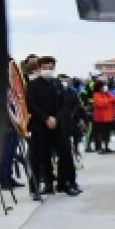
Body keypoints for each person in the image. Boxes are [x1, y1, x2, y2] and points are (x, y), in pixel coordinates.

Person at [26, 56, 81, 196]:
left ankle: (66, 183)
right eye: (45, 68)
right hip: (40, 125)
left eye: (50, 68)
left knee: (65, 154)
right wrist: (45, 118)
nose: (48, 71)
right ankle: (45, 185)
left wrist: (56, 119)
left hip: (58, 125)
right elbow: (31, 104)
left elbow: (65, 104)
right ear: (39, 68)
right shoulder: (33, 85)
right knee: (41, 156)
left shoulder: (58, 84)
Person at [90, 78, 115, 154]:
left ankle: (106, 147)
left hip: (108, 117)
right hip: (100, 117)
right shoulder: (96, 95)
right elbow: (101, 104)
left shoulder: (107, 93)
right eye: (103, 86)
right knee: (99, 133)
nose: (105, 88)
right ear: (99, 87)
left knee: (107, 133)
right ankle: (99, 148)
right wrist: (109, 101)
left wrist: (108, 94)